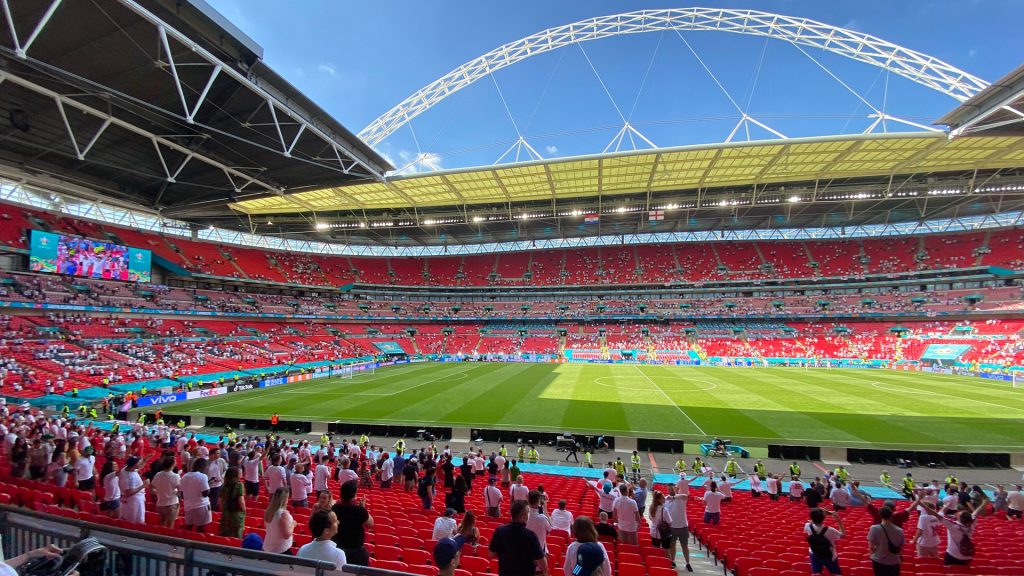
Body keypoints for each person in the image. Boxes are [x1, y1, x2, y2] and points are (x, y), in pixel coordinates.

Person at [917, 496, 982, 566]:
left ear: (960, 518)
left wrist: (920, 503)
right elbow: (975, 512)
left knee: (949, 571)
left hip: (953, 555)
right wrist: (983, 503)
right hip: (967, 557)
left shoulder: (953, 525)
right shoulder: (972, 524)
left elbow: (934, 513)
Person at [489, 500, 548, 576]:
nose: (528, 515)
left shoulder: (500, 530)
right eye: (528, 513)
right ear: (523, 516)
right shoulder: (530, 535)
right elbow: (542, 564)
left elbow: (491, 554)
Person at [331, 480, 373, 566]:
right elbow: (370, 524)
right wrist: (363, 508)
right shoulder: (359, 510)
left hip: (337, 548)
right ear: (354, 496)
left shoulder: (335, 508)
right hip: (356, 552)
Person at [805, 507, 846, 576]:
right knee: (836, 573)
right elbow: (843, 535)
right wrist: (838, 520)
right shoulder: (830, 530)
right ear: (824, 518)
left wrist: (820, 514)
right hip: (829, 555)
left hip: (814, 553)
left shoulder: (807, 526)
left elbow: (811, 521)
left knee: (816, 573)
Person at [867, 506, 904, 576]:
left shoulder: (874, 528)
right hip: (894, 561)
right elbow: (901, 547)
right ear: (891, 515)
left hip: (878, 560)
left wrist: (872, 556)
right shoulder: (900, 531)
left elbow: (871, 546)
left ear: (880, 515)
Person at [665, 485, 692, 572]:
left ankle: (687, 563)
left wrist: (673, 497)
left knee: (685, 546)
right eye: (669, 489)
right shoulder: (666, 499)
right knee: (672, 546)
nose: (670, 490)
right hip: (672, 527)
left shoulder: (681, 498)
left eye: (672, 489)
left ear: (676, 489)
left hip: (683, 526)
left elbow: (686, 496)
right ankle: (673, 561)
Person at [180, 458, 212, 532]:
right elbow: (205, 493)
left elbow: (182, 494)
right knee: (201, 530)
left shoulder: (185, 476)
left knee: (188, 529)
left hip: (188, 506)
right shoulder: (203, 476)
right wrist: (209, 486)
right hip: (201, 506)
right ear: (203, 467)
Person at [263, 487, 296, 555]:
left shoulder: (269, 512)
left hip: (268, 547)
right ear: (285, 499)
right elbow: (286, 535)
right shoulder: (283, 514)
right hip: (281, 550)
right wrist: (293, 524)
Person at [151, 457, 180, 528]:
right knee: (169, 526)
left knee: (161, 525)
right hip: (171, 504)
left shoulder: (158, 474)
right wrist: (175, 493)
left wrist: (159, 492)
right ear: (173, 464)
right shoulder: (175, 476)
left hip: (160, 504)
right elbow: (180, 490)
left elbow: (152, 487)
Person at [118, 456, 146, 523]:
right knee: (133, 521)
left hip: (136, 499)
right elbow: (129, 493)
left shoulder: (126, 469)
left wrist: (145, 460)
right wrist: (143, 485)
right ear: (134, 465)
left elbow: (138, 468)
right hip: (134, 501)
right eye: (138, 462)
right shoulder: (129, 478)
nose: (140, 463)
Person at [219, 467, 246, 538]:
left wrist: (224, 511)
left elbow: (220, 502)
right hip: (236, 514)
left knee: (225, 536)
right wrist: (244, 510)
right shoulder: (239, 485)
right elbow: (241, 502)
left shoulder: (224, 486)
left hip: (226, 513)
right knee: (236, 537)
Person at [647, 491, 673, 562]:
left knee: (655, 550)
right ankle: (668, 564)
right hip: (664, 533)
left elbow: (650, 518)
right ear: (659, 499)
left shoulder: (651, 508)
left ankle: (656, 563)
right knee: (666, 550)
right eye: (663, 497)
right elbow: (670, 522)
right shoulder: (664, 510)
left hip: (654, 532)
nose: (664, 498)